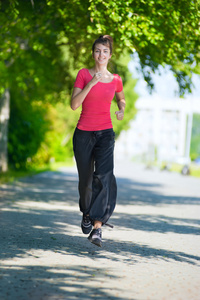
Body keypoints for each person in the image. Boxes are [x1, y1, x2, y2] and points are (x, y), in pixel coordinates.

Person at [71, 35, 125, 247]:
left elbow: (120, 97)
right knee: (86, 182)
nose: (101, 55)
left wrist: (121, 108)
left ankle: (97, 228)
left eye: (105, 51)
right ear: (93, 54)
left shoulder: (116, 79)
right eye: (97, 51)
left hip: (105, 134)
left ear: (110, 55)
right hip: (84, 133)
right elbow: (74, 105)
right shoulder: (84, 74)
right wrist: (91, 84)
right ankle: (86, 212)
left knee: (103, 178)